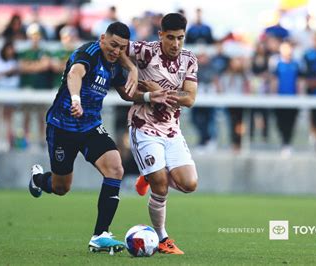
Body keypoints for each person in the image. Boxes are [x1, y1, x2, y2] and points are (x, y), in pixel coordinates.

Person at [28, 22, 138, 253]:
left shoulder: (116, 64)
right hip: (61, 127)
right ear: (102, 39)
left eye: (121, 48)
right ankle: (39, 180)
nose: (116, 51)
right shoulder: (88, 53)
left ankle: (100, 235)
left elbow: (127, 93)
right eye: (113, 45)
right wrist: (75, 99)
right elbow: (75, 73)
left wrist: (148, 95)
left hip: (90, 127)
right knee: (61, 187)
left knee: (115, 168)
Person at [124, 13, 199, 255]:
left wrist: (160, 90)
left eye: (180, 38)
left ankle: (150, 174)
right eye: (170, 38)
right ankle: (162, 237)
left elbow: (189, 99)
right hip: (143, 126)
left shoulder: (189, 59)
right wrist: (132, 71)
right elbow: (114, 47)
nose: (176, 44)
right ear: (160, 36)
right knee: (161, 186)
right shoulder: (146, 51)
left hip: (171, 129)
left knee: (189, 184)